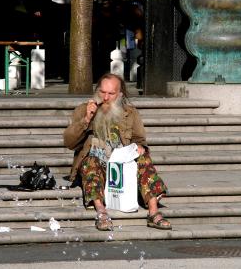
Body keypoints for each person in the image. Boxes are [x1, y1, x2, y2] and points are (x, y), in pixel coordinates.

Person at [63, 73, 172, 231]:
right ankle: (101, 212)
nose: (105, 97)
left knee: (144, 158)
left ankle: (153, 212)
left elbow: (140, 140)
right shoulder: (84, 110)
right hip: (96, 163)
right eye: (102, 92)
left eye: (111, 93)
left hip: (122, 164)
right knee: (91, 161)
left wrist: (139, 148)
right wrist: (86, 119)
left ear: (120, 94)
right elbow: (69, 142)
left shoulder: (130, 113)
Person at [45, 0, 74, 82]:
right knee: (56, 39)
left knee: (66, 40)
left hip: (71, 3)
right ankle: (57, 69)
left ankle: (64, 71)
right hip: (56, 3)